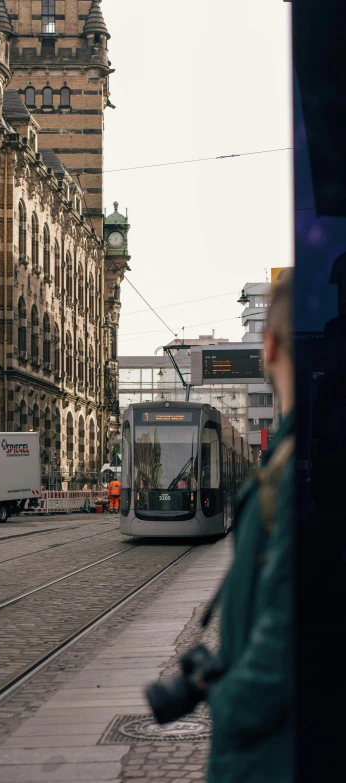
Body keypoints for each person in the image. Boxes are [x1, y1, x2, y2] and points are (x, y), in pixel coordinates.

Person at [200, 271, 295, 783]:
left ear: (270, 345)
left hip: (274, 753)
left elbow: (288, 629)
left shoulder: (299, 467)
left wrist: (230, 705)